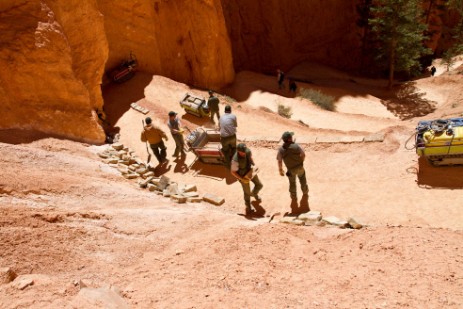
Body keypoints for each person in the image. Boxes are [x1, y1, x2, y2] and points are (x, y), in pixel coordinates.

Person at [231, 143, 263, 216]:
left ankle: (254, 194)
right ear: (238, 151)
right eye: (243, 152)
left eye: (245, 151)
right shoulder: (235, 160)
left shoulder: (247, 151)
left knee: (259, 185)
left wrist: (254, 165)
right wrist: (241, 179)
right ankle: (248, 207)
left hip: (250, 172)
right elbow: (233, 172)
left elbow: (250, 157)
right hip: (242, 176)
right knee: (247, 193)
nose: (244, 152)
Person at [277, 131, 308, 202]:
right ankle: (305, 192)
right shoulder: (297, 146)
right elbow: (303, 154)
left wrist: (280, 170)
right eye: (291, 136)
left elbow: (279, 160)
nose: (292, 137)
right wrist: (301, 161)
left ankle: (293, 196)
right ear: (289, 139)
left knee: (292, 183)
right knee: (302, 180)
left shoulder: (281, 150)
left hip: (290, 170)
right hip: (300, 167)